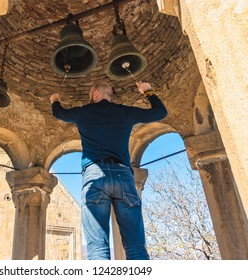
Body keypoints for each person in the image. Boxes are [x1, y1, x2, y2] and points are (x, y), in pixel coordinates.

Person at [50, 81, 167, 260]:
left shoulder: (83, 113)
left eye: (90, 95)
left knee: (98, 249)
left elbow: (59, 113)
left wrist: (55, 100)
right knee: (136, 247)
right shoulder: (125, 112)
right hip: (124, 177)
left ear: (96, 94)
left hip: (95, 176)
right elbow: (160, 112)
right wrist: (147, 91)